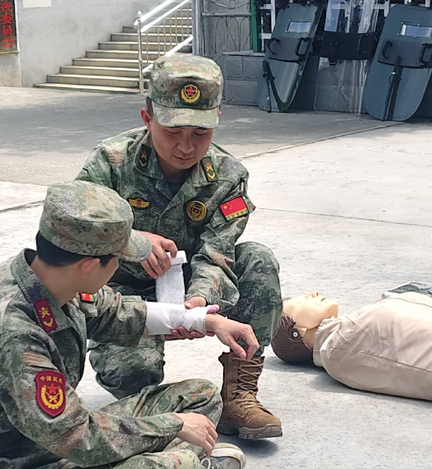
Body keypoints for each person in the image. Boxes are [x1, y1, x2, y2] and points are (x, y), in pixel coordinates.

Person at [0, 180, 259, 469]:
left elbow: (114, 310)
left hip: (51, 439)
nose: (124, 265)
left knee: (200, 397)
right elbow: (79, 438)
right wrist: (172, 426)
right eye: (119, 258)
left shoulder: (43, 276)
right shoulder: (14, 336)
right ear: (90, 265)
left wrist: (206, 320)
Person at [76, 54, 283, 440]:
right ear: (147, 118)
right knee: (130, 372)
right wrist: (132, 242)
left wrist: (199, 303)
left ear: (217, 118)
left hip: (191, 283)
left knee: (257, 260)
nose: (186, 147)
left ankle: (239, 395)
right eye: (173, 131)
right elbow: (75, 230)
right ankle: (147, 412)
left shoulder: (228, 176)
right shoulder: (111, 162)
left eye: (200, 133)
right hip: (123, 287)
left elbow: (217, 252)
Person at [273, 291, 432, 405]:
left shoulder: (347, 332)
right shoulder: (340, 347)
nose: (312, 293)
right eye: (299, 301)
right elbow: (400, 367)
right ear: (298, 332)